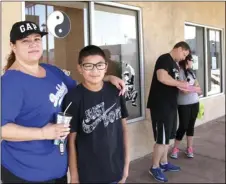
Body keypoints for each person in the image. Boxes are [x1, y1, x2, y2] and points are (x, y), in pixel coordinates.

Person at [1, 20, 126, 183]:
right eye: (25, 41)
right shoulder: (10, 82)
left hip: (58, 169)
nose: (33, 44)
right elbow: (3, 129)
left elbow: (81, 89)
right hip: (26, 172)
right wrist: (42, 133)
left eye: (37, 39)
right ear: (13, 46)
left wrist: (105, 78)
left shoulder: (52, 71)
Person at [65, 45, 130, 183]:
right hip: (88, 175)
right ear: (80, 68)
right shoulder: (73, 98)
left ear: (105, 67)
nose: (95, 71)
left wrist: (126, 166)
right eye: (88, 66)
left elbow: (123, 129)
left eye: (99, 65)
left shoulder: (116, 91)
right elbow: (71, 140)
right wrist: (74, 177)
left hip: (116, 170)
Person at [146, 41, 191, 182]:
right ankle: (154, 167)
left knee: (168, 137)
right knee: (162, 139)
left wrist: (185, 88)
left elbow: (173, 83)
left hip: (171, 106)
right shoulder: (164, 59)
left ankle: (164, 163)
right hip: (161, 106)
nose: (184, 58)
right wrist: (180, 84)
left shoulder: (175, 65)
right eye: (184, 54)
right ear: (178, 49)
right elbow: (162, 77)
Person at [170, 54, 202, 159]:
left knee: (191, 126)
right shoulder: (179, 73)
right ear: (186, 61)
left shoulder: (192, 73)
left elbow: (200, 89)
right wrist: (194, 88)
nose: (192, 62)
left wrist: (190, 88)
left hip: (195, 102)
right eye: (191, 60)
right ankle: (175, 149)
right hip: (183, 104)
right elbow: (183, 91)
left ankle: (189, 148)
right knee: (183, 126)